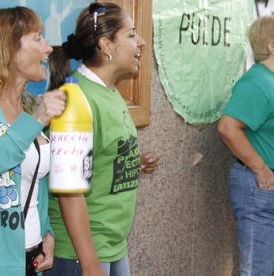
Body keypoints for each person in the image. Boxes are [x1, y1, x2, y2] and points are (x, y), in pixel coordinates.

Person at [45, 3, 159, 276]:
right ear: (107, 45)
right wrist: (90, 264)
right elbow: (69, 191)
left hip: (111, 246)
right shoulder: (75, 99)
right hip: (81, 254)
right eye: (131, 35)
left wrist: (130, 160)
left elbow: (97, 155)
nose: (141, 42)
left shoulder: (108, 91)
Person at [217, 16, 274, 276]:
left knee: (268, 269)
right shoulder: (256, 82)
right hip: (264, 190)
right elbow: (227, 127)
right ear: (273, 48)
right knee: (257, 270)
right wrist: (261, 168)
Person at [0, 6, 66, 276]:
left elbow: (34, 184)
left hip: (32, 259)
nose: (48, 48)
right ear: (9, 48)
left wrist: (47, 234)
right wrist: (37, 120)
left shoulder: (29, 105)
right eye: (37, 38)